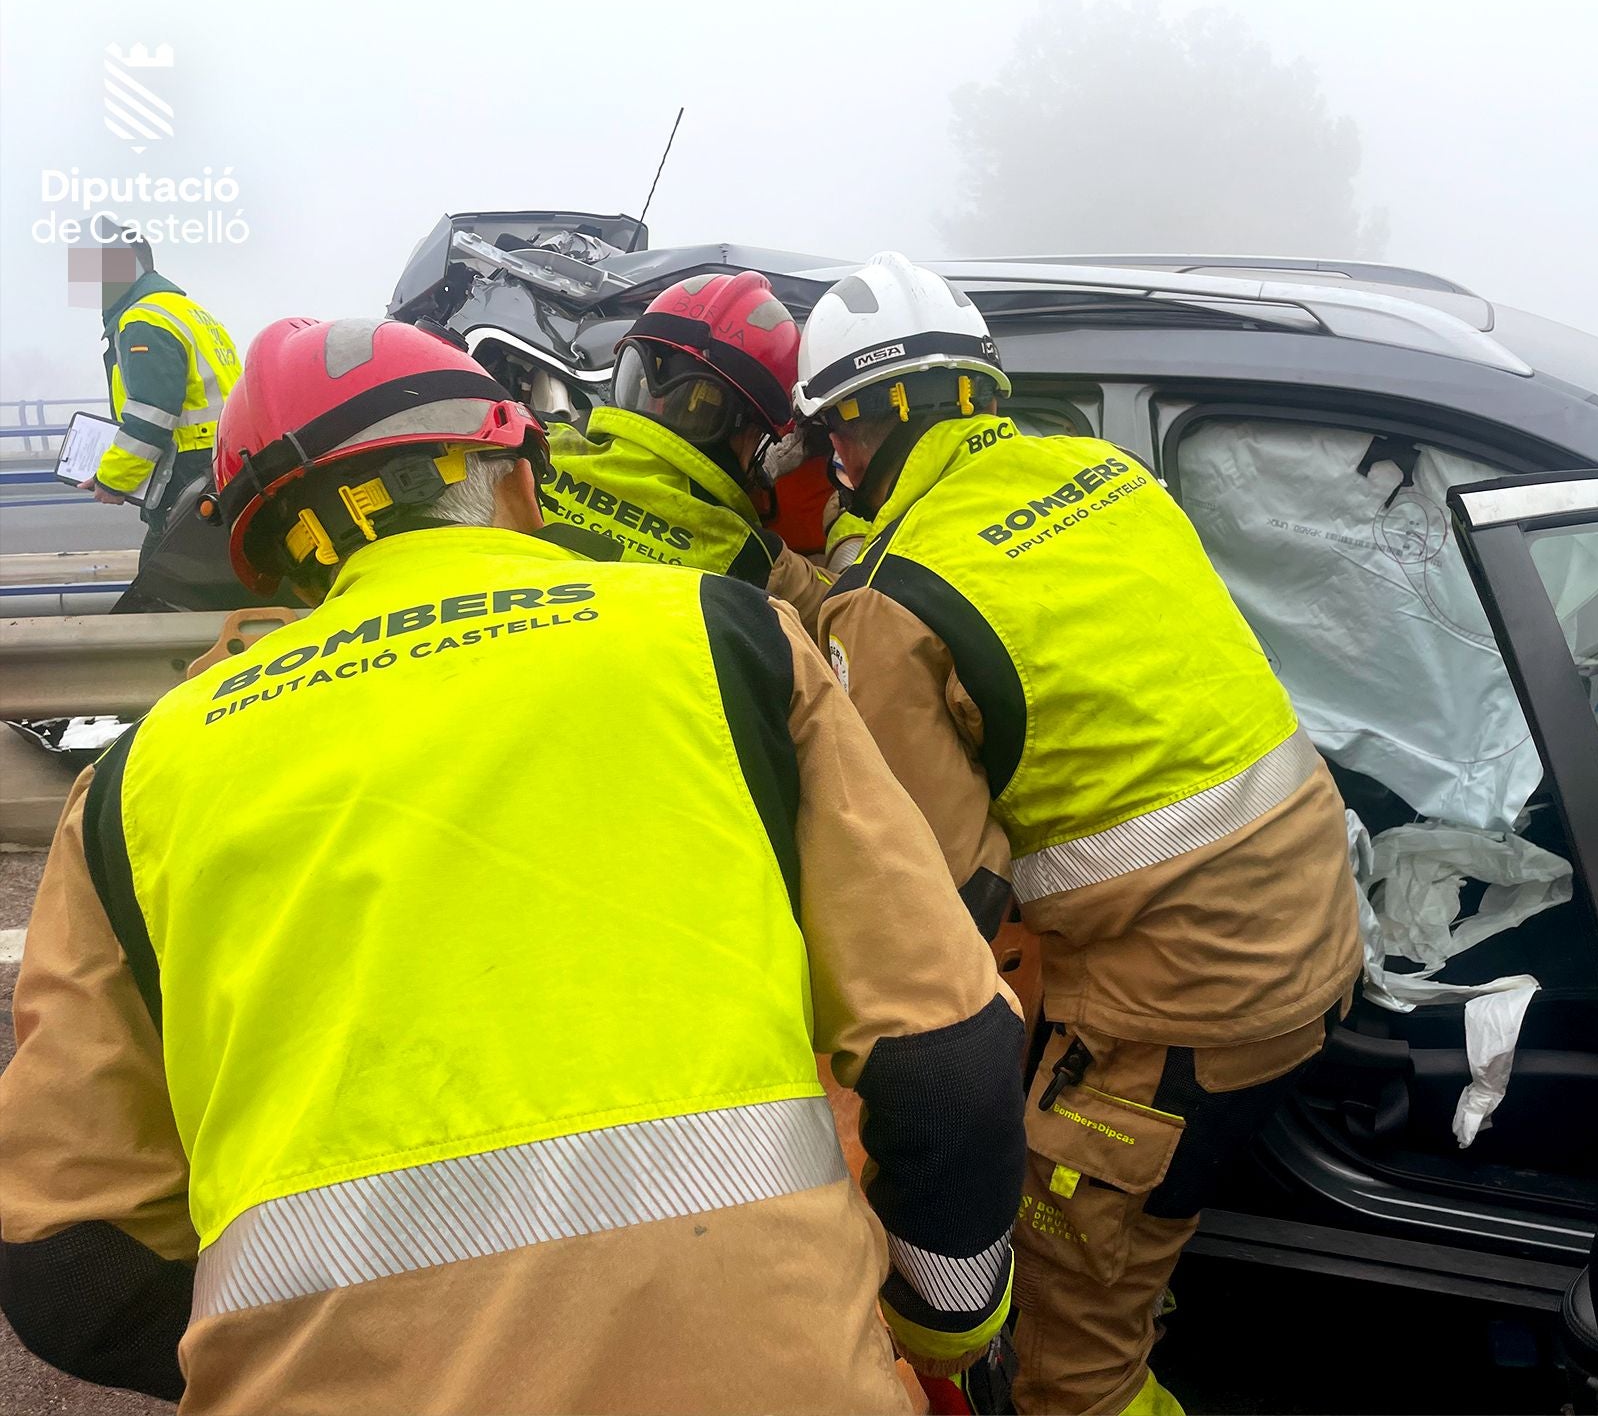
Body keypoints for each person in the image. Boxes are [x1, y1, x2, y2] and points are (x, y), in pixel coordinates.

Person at [0, 316, 1026, 1413]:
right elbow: (944, 1058)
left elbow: (68, 1258)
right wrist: (943, 1322)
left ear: (266, 551)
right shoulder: (722, 636)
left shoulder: (143, 776)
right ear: (522, 486)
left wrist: (290, 1347)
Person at [805, 255, 1364, 1416]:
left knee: (1062, 1355)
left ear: (857, 434)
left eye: (836, 446)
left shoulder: (899, 598)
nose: (836, 472)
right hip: (1313, 933)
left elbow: (936, 909)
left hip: (1185, 1005)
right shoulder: (1104, 478)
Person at [540, 271, 834, 628]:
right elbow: (848, 609)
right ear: (753, 435)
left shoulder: (529, 445)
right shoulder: (745, 555)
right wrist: (843, 518)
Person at [74, 228, 243, 562]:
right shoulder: (188, 311)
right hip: (222, 461)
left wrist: (114, 479)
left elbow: (152, 413)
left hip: (189, 471)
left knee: (163, 583)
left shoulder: (144, 318)